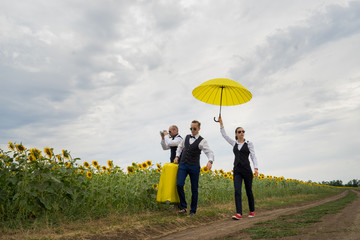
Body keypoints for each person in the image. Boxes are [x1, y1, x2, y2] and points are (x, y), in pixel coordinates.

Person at [218, 116, 258, 220]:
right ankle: (239, 213)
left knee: (249, 190)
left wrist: (256, 168)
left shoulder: (249, 144)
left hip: (247, 170)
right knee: (237, 191)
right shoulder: (234, 143)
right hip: (237, 170)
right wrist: (221, 124)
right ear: (236, 134)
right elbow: (224, 135)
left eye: (243, 131)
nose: (241, 133)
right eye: (239, 131)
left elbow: (253, 156)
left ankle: (252, 211)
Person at [174, 120, 214, 216]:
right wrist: (177, 156)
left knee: (194, 189)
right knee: (179, 184)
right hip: (183, 164)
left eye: (194, 128)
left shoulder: (202, 141)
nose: (192, 130)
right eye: (191, 128)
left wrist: (210, 161)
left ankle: (193, 211)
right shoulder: (186, 137)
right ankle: (183, 207)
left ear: (199, 129)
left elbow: (209, 152)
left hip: (194, 166)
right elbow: (179, 147)